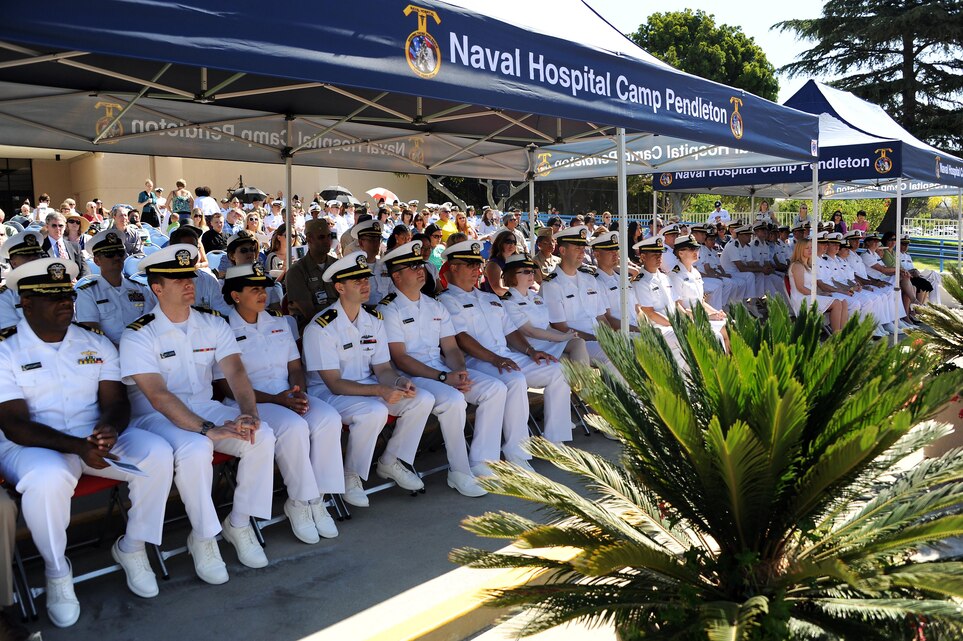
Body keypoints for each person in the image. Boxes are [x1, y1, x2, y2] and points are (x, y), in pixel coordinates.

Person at [0, 257, 174, 626]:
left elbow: (115, 402)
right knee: (48, 480)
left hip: (92, 439)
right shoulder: (5, 350)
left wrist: (109, 429)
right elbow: (14, 424)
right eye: (53, 296)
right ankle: (57, 571)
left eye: (67, 293)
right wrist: (79, 447)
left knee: (157, 453)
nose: (66, 301)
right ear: (26, 304)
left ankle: (134, 546)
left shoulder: (94, 342)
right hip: (32, 447)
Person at [120, 243, 277, 584]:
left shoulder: (212, 323)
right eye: (177, 279)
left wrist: (248, 413)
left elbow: (235, 372)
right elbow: (159, 396)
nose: (188, 283)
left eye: (189, 276)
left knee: (260, 435)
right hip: (154, 417)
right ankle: (205, 538)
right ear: (156, 288)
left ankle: (239, 523)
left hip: (205, 406)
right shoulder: (138, 334)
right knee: (195, 448)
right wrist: (208, 429)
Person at [216, 264, 343, 542]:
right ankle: (300, 500)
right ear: (236, 296)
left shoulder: (279, 321)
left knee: (328, 418)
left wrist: (298, 390)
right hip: (250, 402)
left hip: (286, 394)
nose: (263, 294)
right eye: (254, 290)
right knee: (293, 428)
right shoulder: (222, 329)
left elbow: (295, 365)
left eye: (263, 288)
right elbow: (226, 384)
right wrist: (278, 399)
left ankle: (319, 497)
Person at [301, 251, 431, 507]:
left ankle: (391, 460)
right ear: (339, 287)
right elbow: (334, 383)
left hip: (369, 388)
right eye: (356, 281)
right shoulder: (321, 327)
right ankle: (351, 475)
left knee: (422, 398)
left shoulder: (373, 320)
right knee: (373, 411)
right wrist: (380, 391)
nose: (365, 285)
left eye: (366, 279)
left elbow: (382, 367)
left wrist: (397, 382)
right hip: (329, 395)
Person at [378, 240, 502, 493]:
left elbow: (452, 348)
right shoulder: (388, 309)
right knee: (453, 401)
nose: (419, 269)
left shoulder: (435, 305)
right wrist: (446, 377)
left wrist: (460, 372)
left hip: (441, 370)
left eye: (419, 264)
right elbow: (400, 358)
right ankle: (460, 470)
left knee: (495, 388)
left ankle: (482, 460)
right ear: (396, 276)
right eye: (411, 266)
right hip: (410, 375)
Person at [439, 240, 572, 449]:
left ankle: (555, 440)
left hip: (504, 355)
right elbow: (461, 338)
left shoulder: (487, 297)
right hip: (476, 360)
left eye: (478, 264)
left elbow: (510, 330)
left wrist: (531, 351)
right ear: (453, 267)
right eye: (470, 264)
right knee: (515, 379)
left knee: (557, 369)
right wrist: (495, 359)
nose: (477, 269)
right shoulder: (447, 300)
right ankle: (517, 449)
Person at [540, 226, 616, 363]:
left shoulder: (590, 279)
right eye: (577, 249)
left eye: (583, 249)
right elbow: (560, 327)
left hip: (597, 339)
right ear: (562, 251)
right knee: (614, 355)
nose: (582, 253)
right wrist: (597, 339)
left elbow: (601, 317)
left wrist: (612, 338)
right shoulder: (551, 285)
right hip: (576, 342)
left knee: (628, 348)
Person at [499, 252, 589, 364]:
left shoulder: (536, 298)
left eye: (532, 271)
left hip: (548, 342)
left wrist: (565, 336)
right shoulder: (508, 302)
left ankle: (586, 380)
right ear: (512, 275)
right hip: (530, 348)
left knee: (578, 342)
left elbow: (547, 327)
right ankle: (583, 379)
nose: (531, 274)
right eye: (526, 271)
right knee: (567, 361)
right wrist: (562, 338)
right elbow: (530, 331)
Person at [75, 229, 155, 344]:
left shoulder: (141, 289)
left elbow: (151, 325)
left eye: (120, 253)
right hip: (108, 355)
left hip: (142, 349)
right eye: (110, 254)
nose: (117, 258)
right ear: (97, 261)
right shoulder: (87, 293)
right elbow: (92, 333)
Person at [668, 234, 729, 350]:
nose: (696, 251)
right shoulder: (675, 275)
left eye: (696, 248)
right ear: (680, 253)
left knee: (730, 324)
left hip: (701, 316)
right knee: (720, 335)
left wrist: (716, 313)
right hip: (688, 320)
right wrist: (706, 316)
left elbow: (700, 302)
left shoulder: (695, 272)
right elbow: (678, 307)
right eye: (691, 249)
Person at [285, 218, 339, 330]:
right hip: (312, 329)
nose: (327, 241)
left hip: (341, 325)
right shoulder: (297, 271)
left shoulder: (337, 266)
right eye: (321, 237)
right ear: (309, 238)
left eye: (329, 236)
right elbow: (309, 313)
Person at [788, 236, 847, 332]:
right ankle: (837, 335)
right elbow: (801, 288)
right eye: (807, 248)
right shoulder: (797, 265)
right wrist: (819, 294)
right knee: (836, 303)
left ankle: (843, 332)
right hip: (802, 299)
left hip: (810, 296)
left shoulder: (808, 265)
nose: (810, 250)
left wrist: (821, 294)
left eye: (811, 247)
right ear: (799, 249)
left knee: (843, 302)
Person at [588, 230, 639, 332]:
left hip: (636, 329)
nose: (615, 254)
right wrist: (640, 331)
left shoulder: (622, 278)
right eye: (610, 251)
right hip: (621, 333)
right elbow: (608, 319)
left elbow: (637, 310)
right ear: (597, 255)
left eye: (616, 250)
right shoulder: (596, 282)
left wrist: (648, 329)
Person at [0, 231, 47, 330]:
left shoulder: (55, 287)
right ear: (14, 263)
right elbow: (11, 334)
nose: (34, 259)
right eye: (27, 256)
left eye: (37, 254)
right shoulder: (6, 295)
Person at [42, 211, 90, 279]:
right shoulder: (40, 248)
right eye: (54, 225)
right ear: (47, 227)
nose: (58, 228)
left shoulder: (75, 247)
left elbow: (85, 270)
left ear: (65, 227)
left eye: (61, 226)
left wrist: (79, 284)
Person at [482, 229, 519, 297]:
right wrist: (519, 291)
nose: (512, 245)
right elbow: (498, 289)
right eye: (508, 242)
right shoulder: (493, 264)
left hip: (513, 299)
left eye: (514, 242)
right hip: (496, 302)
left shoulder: (515, 263)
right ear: (500, 243)